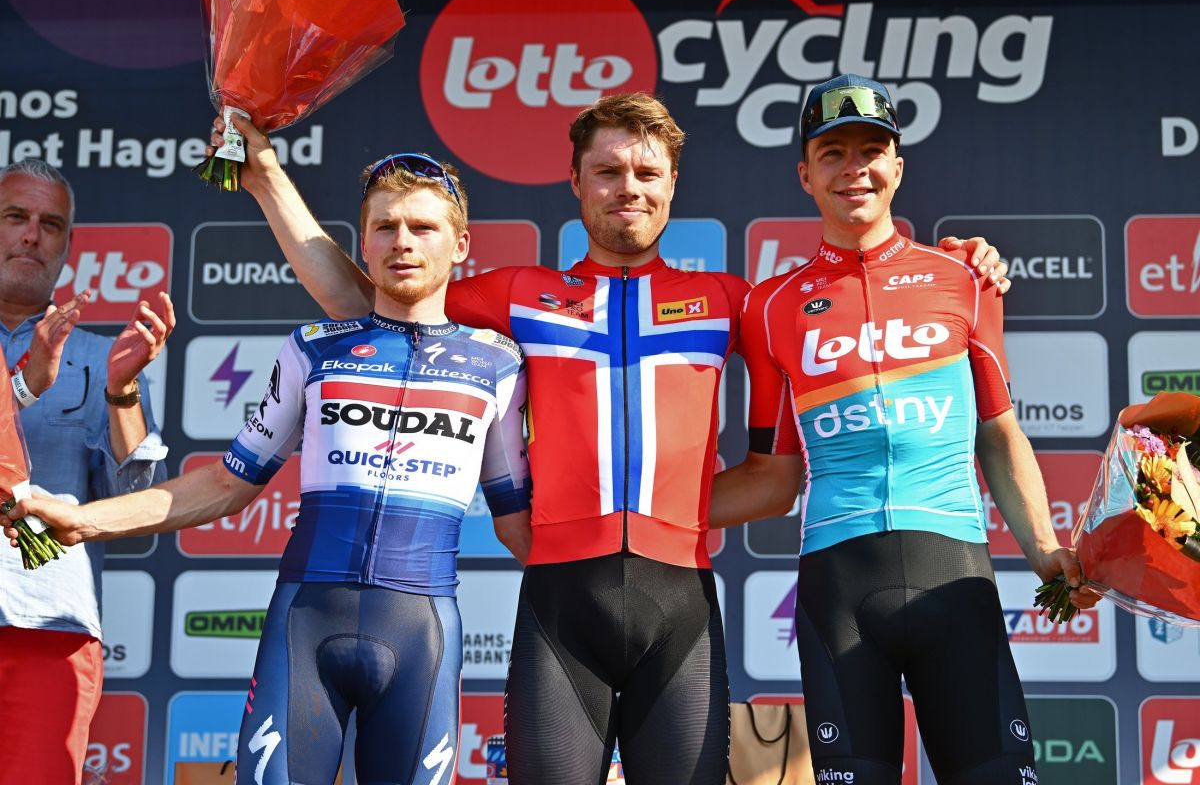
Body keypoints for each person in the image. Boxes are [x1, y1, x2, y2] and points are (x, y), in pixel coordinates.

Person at [209, 96, 1008, 785]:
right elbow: (370, 296)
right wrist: (268, 176)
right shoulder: (522, 294)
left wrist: (960, 267)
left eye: (646, 172)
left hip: (681, 608)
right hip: (561, 610)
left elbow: (786, 449)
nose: (629, 187)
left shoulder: (732, 300)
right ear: (576, 182)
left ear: (672, 185)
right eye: (608, 172)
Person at [5, 154, 532, 785]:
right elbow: (225, 484)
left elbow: (518, 526)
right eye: (385, 227)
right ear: (363, 243)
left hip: (423, 635)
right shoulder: (315, 349)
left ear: (460, 244)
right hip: (305, 623)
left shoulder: (497, 365)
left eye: (423, 227)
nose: (403, 243)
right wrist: (82, 521)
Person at [712, 74, 1100, 785]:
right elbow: (773, 476)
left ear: (897, 166)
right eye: (832, 153)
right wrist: (637, 515)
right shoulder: (770, 306)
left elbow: (998, 433)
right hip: (839, 590)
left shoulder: (966, 278)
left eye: (870, 151)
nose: (853, 169)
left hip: (954, 575)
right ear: (805, 174)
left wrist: (1045, 548)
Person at [0, 158, 173, 785]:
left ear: (68, 247)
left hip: (49, 621)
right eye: (15, 217)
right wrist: (24, 385)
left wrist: (122, 392)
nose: (32, 235)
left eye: (51, 225)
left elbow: (136, 500)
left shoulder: (101, 356)